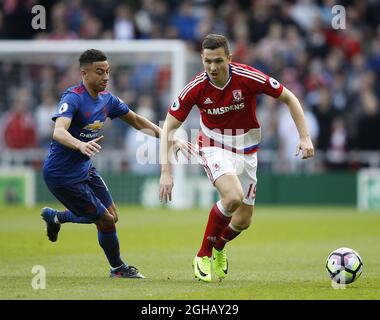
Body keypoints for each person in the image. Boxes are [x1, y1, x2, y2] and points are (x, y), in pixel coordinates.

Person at [159, 34, 314, 282]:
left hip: (248, 151)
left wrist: (304, 137)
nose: (212, 67)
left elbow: (289, 98)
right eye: (208, 61)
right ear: (202, 59)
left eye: (218, 61)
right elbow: (168, 127)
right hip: (213, 146)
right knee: (232, 197)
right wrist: (166, 172)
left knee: (243, 221)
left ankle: (219, 246)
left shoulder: (248, 77)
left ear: (229, 59)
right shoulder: (196, 87)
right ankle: (202, 255)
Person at [41, 49, 190, 279]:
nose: (106, 77)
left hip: (84, 167)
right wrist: (80, 145)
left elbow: (137, 120)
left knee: (112, 215)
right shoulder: (73, 97)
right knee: (105, 220)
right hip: (62, 175)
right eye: (100, 72)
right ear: (84, 73)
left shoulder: (107, 100)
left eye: (108, 72)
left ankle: (56, 217)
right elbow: (59, 132)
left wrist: (170, 137)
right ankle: (118, 268)